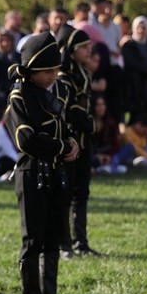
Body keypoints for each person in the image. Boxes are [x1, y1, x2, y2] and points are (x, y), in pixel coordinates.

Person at [5, 32, 79, 294]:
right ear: (31, 69)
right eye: (47, 70)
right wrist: (61, 146)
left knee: (53, 237)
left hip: (57, 173)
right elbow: (26, 139)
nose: (53, 75)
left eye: (56, 69)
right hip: (32, 172)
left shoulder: (56, 90)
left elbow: (63, 124)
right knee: (32, 240)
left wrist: (72, 142)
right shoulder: (19, 95)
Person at [55, 25, 98, 259]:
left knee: (82, 192)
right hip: (69, 140)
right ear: (72, 50)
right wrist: (87, 122)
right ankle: (65, 245)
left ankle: (81, 242)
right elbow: (68, 109)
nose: (88, 49)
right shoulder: (62, 75)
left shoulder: (83, 72)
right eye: (83, 46)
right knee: (66, 193)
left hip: (84, 140)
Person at [120, 16, 147, 120]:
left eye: (144, 28)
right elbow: (132, 63)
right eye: (138, 27)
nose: (141, 30)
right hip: (134, 86)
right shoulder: (129, 45)